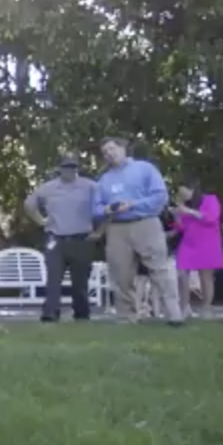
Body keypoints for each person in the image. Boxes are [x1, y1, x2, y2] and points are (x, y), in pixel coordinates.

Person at [91, 137, 183, 325]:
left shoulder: (144, 169)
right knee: (121, 274)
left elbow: (160, 196)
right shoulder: (103, 180)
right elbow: (95, 209)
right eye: (105, 152)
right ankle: (126, 317)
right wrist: (106, 210)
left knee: (159, 270)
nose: (109, 153)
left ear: (122, 148)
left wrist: (133, 204)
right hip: (116, 228)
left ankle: (174, 315)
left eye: (112, 148)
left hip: (146, 223)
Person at [23, 153, 97, 322]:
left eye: (73, 167)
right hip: (55, 239)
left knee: (80, 280)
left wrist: (99, 230)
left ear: (77, 169)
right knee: (53, 278)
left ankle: (82, 314)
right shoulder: (48, 187)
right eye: (66, 167)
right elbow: (29, 204)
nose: (69, 171)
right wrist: (41, 221)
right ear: (60, 169)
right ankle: (50, 313)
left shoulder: (90, 186)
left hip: (81, 239)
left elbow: (105, 205)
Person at [171, 178, 223, 317]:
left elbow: (211, 218)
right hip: (188, 244)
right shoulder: (185, 204)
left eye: (184, 191)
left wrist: (189, 211)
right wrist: (177, 216)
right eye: (180, 193)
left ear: (192, 189)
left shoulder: (210, 200)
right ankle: (184, 307)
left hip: (208, 243)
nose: (182, 195)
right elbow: (181, 228)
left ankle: (206, 308)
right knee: (182, 274)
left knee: (205, 276)